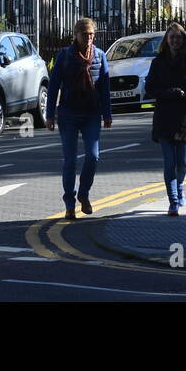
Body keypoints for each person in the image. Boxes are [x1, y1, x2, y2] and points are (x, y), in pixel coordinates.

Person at [46, 17, 112, 220]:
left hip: (92, 113)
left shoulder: (100, 56)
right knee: (70, 161)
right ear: (76, 35)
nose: (89, 38)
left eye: (92, 34)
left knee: (93, 156)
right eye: (85, 35)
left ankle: (83, 193)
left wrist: (107, 113)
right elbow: (54, 85)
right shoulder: (65, 56)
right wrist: (49, 115)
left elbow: (105, 87)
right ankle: (69, 203)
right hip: (68, 113)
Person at [144, 23, 186, 216]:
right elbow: (150, 88)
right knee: (169, 162)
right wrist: (169, 92)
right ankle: (174, 201)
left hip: (184, 118)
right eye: (172, 37)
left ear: (183, 40)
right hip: (164, 117)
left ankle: (180, 187)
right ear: (166, 40)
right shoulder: (158, 62)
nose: (175, 40)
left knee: (183, 164)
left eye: (178, 37)